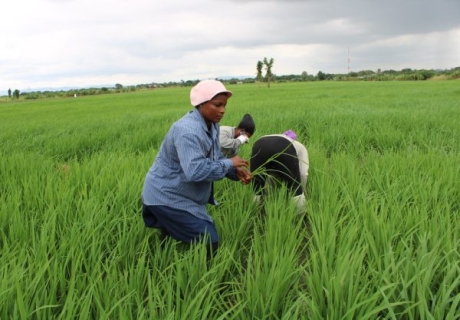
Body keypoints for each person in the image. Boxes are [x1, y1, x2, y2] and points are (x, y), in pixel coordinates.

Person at [141, 80, 252, 259]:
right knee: (209, 239)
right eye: (217, 105)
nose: (222, 110)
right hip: (166, 194)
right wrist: (230, 163)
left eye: (224, 105)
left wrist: (233, 172)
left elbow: (214, 157)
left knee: (171, 234)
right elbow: (196, 171)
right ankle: (209, 278)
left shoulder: (212, 125)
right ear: (201, 104)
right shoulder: (188, 131)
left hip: (178, 192)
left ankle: (161, 259)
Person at [250, 130, 309, 214]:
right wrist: (301, 189)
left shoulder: (268, 136)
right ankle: (301, 217)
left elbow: (271, 173)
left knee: (256, 186)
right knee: (295, 188)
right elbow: (303, 173)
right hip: (283, 147)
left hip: (258, 145)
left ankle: (253, 213)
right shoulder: (299, 146)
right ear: (295, 140)